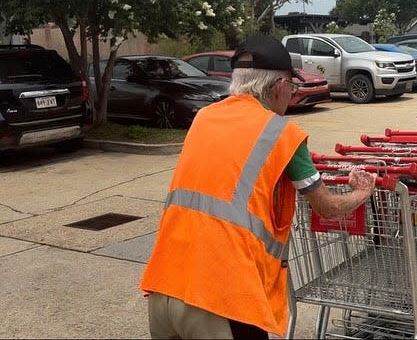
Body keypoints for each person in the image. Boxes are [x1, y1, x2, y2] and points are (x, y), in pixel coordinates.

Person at [139, 35, 377, 340]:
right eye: (292, 88)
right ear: (279, 86)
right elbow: (326, 208)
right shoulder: (281, 134)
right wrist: (361, 192)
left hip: (165, 286)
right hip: (222, 300)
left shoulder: (204, 118)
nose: (290, 96)